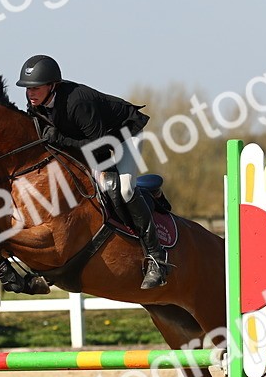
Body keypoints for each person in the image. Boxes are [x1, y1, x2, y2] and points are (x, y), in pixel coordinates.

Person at [16, 54, 170, 289]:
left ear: (52, 85)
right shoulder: (36, 105)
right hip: (89, 142)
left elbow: (102, 149)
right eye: (28, 88)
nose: (30, 93)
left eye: (36, 88)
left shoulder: (78, 102)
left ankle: (157, 258)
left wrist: (60, 139)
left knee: (124, 189)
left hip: (123, 136)